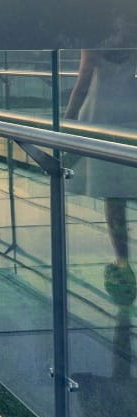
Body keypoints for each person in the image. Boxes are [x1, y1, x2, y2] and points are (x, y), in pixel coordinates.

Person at [64, 49, 137, 303]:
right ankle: (122, 263)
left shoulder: (96, 40)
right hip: (132, 112)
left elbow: (83, 81)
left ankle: (122, 261)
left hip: (102, 116)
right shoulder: (130, 34)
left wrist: (67, 121)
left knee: (113, 196)